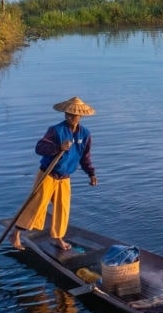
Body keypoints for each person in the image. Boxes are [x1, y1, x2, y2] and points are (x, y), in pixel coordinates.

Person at [11, 97, 98, 251]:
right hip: (48, 174)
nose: (70, 117)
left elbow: (85, 157)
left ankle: (58, 238)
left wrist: (91, 173)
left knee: (62, 208)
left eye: (73, 115)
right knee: (36, 205)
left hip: (64, 177)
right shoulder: (56, 130)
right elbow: (39, 148)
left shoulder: (85, 134)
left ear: (80, 117)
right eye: (68, 114)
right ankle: (16, 234)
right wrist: (58, 147)